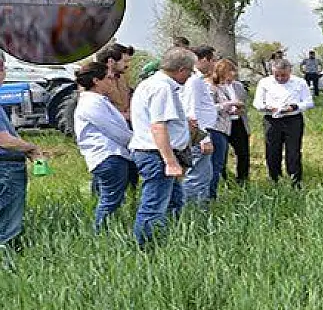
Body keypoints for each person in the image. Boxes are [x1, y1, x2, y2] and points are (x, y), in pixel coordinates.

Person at [129, 47, 194, 248]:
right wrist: (170, 161)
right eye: (190, 71)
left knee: (174, 201)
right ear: (182, 69)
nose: (190, 75)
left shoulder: (150, 84)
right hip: (156, 155)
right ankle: (148, 248)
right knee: (154, 205)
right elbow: (158, 126)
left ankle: (169, 241)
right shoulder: (162, 88)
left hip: (155, 153)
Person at [74, 62, 133, 232]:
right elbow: (114, 130)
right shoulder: (92, 103)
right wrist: (137, 143)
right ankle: (101, 232)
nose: (111, 82)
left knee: (112, 198)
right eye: (107, 78)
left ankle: (106, 231)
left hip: (112, 155)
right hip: (108, 156)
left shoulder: (98, 101)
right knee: (110, 200)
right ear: (96, 81)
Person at [0, 53, 41, 253]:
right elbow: (4, 140)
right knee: (7, 221)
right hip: (6, 169)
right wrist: (31, 148)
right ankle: (6, 261)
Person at [253, 59, 314, 187]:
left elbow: (309, 102)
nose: (280, 78)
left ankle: (295, 180)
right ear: (272, 72)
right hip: (272, 120)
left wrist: (294, 106)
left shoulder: (300, 82)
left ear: (290, 71)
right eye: (277, 75)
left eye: (283, 75)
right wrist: (266, 107)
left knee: (293, 151)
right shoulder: (265, 82)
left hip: (293, 119)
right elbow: (257, 103)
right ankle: (274, 179)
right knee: (272, 150)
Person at [179, 45, 217, 202]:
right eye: (212, 60)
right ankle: (190, 211)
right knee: (196, 177)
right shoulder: (194, 81)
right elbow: (191, 111)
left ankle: (199, 209)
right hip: (198, 136)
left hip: (201, 133)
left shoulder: (198, 80)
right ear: (203, 60)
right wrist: (204, 138)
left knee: (204, 176)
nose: (214, 64)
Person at [206, 59, 241, 198]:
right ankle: (208, 197)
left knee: (218, 164)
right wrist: (229, 104)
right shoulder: (210, 87)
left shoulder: (222, 87)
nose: (233, 75)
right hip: (214, 129)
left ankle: (212, 195)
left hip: (224, 129)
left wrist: (233, 111)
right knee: (214, 165)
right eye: (231, 72)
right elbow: (207, 109)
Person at [222, 65, 250, 186]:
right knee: (222, 154)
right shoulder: (215, 86)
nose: (233, 73)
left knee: (243, 152)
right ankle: (222, 180)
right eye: (230, 71)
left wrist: (240, 109)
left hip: (238, 122)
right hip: (222, 123)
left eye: (234, 71)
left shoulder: (238, 86)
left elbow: (244, 104)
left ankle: (242, 180)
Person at [95, 44, 134, 122]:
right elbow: (97, 111)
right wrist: (124, 116)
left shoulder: (122, 77)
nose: (128, 65)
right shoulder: (96, 82)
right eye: (125, 61)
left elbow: (129, 96)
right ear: (111, 61)